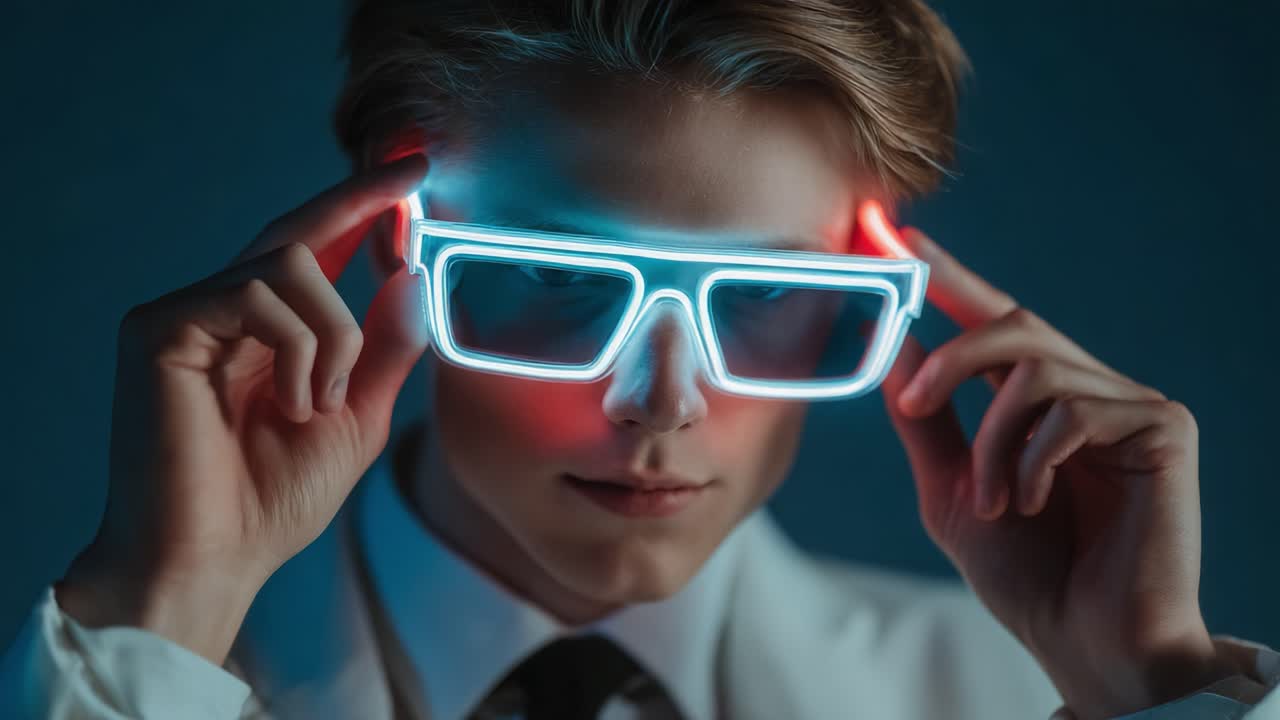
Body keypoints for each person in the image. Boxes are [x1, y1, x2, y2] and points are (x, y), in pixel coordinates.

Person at [2, 1, 1277, 718]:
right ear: (394, 245)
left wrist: (1147, 693)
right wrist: (157, 625)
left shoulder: (1012, 696)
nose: (661, 400)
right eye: (559, 281)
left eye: (773, 296)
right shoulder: (129, 683)